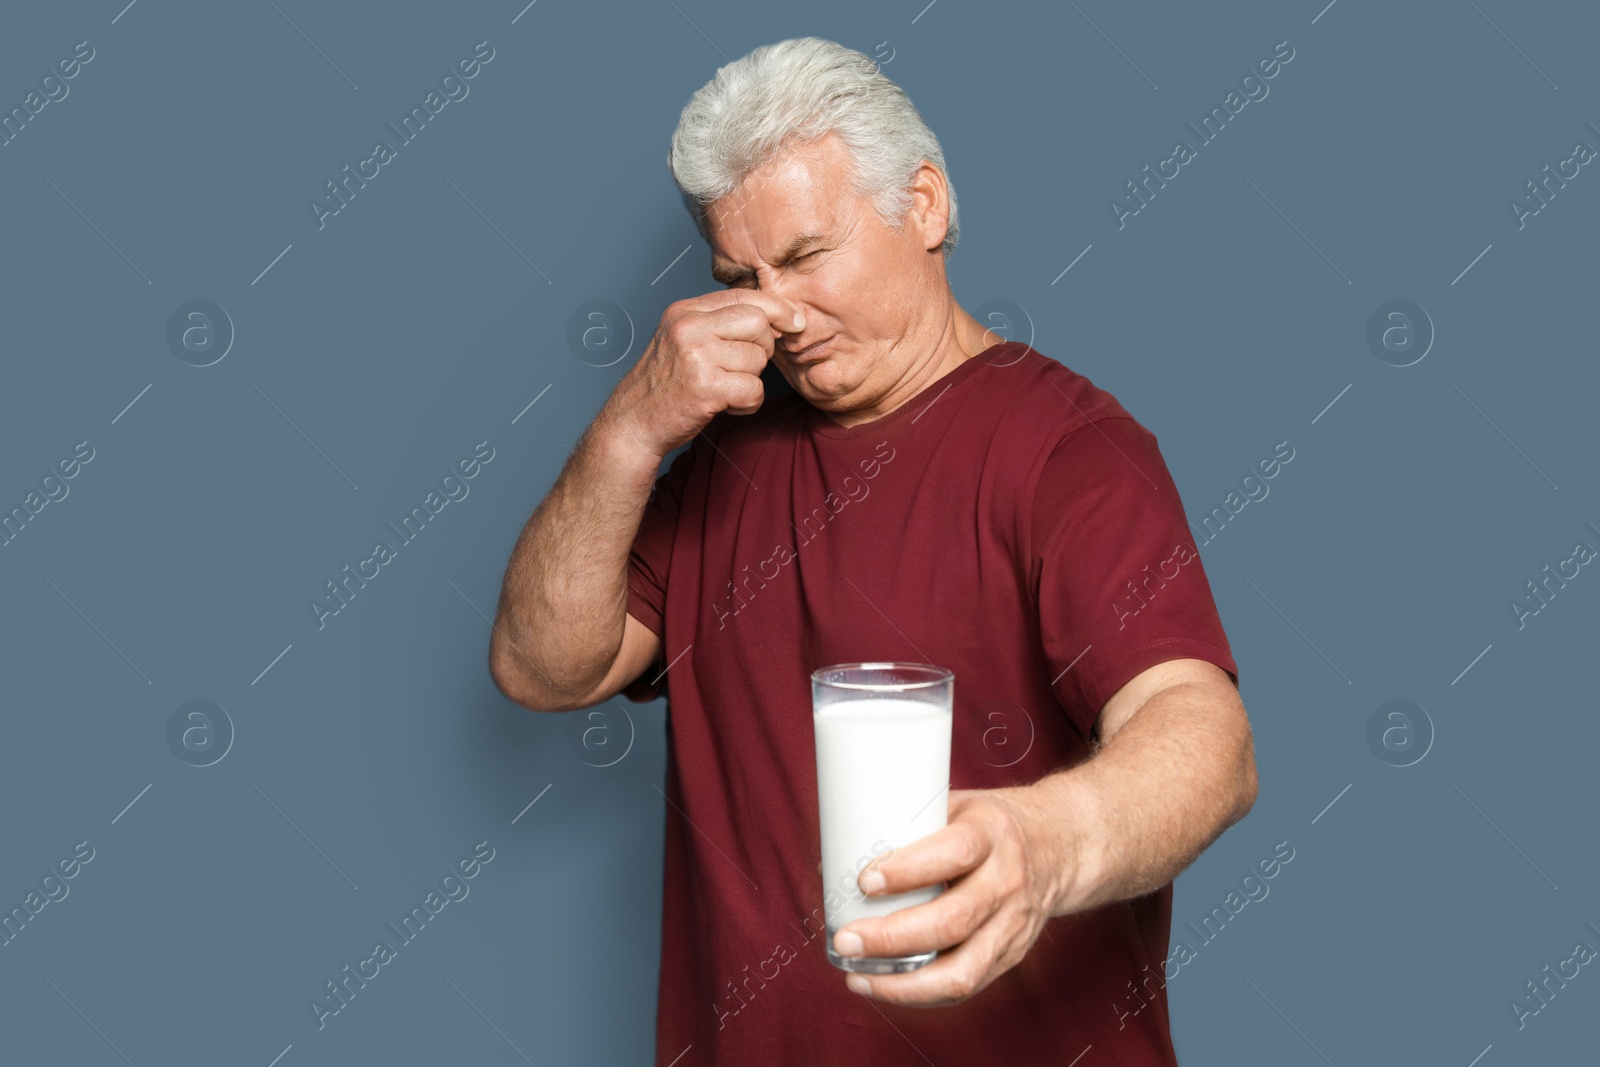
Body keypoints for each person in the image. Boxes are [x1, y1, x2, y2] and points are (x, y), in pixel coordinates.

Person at [489, 36, 1258, 1066]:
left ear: (926, 206)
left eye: (807, 256)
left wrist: (1046, 841)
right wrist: (628, 430)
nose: (779, 312)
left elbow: (1205, 738)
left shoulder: (1070, 452)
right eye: (742, 276)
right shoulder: (723, 450)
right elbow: (543, 666)